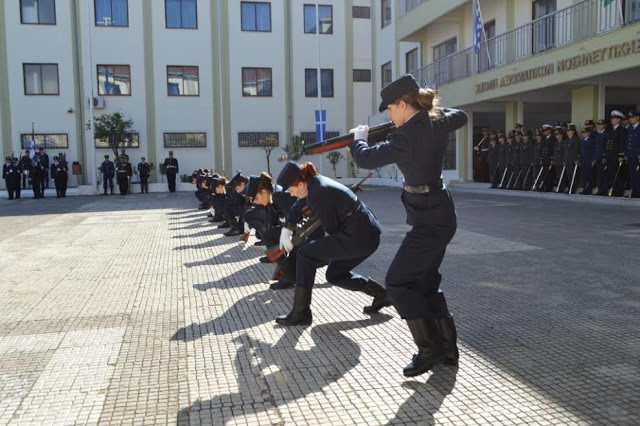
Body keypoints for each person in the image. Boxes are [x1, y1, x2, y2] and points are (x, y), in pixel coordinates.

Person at [348, 74, 467, 377]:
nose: (388, 114)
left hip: (428, 220)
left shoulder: (406, 137)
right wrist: (426, 114)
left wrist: (358, 139)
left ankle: (429, 350)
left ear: (403, 104)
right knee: (425, 282)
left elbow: (366, 159)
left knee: (398, 283)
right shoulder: (434, 121)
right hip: (439, 212)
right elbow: (460, 115)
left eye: (390, 108)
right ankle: (448, 350)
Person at [274, 161, 390, 326]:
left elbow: (331, 229)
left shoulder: (317, 192)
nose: (291, 195)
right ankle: (383, 295)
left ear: (300, 184)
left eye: (291, 190)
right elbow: (298, 206)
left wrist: (308, 245)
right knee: (334, 275)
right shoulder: (315, 184)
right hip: (366, 234)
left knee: (305, 254)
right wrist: (287, 229)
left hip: (358, 237)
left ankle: (301, 313)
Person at [609, 110, 628, 196]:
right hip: (611, 156)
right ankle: (614, 190)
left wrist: (621, 155)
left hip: (618, 156)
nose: (612, 120)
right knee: (612, 174)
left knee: (619, 174)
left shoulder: (622, 130)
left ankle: (619, 191)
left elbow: (622, 143)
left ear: (619, 120)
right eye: (612, 118)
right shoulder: (611, 130)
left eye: (614, 118)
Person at [625, 110, 640, 197]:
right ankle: (633, 191)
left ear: (638, 117)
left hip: (637, 155)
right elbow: (628, 142)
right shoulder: (630, 128)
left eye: (633, 117)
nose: (631, 119)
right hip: (631, 155)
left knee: (637, 174)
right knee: (632, 173)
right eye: (630, 117)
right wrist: (626, 154)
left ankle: (637, 192)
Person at [579, 123, 596, 195]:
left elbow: (594, 151)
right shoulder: (582, 141)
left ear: (588, 133)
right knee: (584, 175)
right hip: (583, 160)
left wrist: (593, 160)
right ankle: (585, 189)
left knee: (589, 175)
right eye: (583, 133)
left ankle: (589, 189)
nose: (584, 134)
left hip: (589, 160)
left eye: (585, 133)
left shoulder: (592, 141)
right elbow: (580, 151)